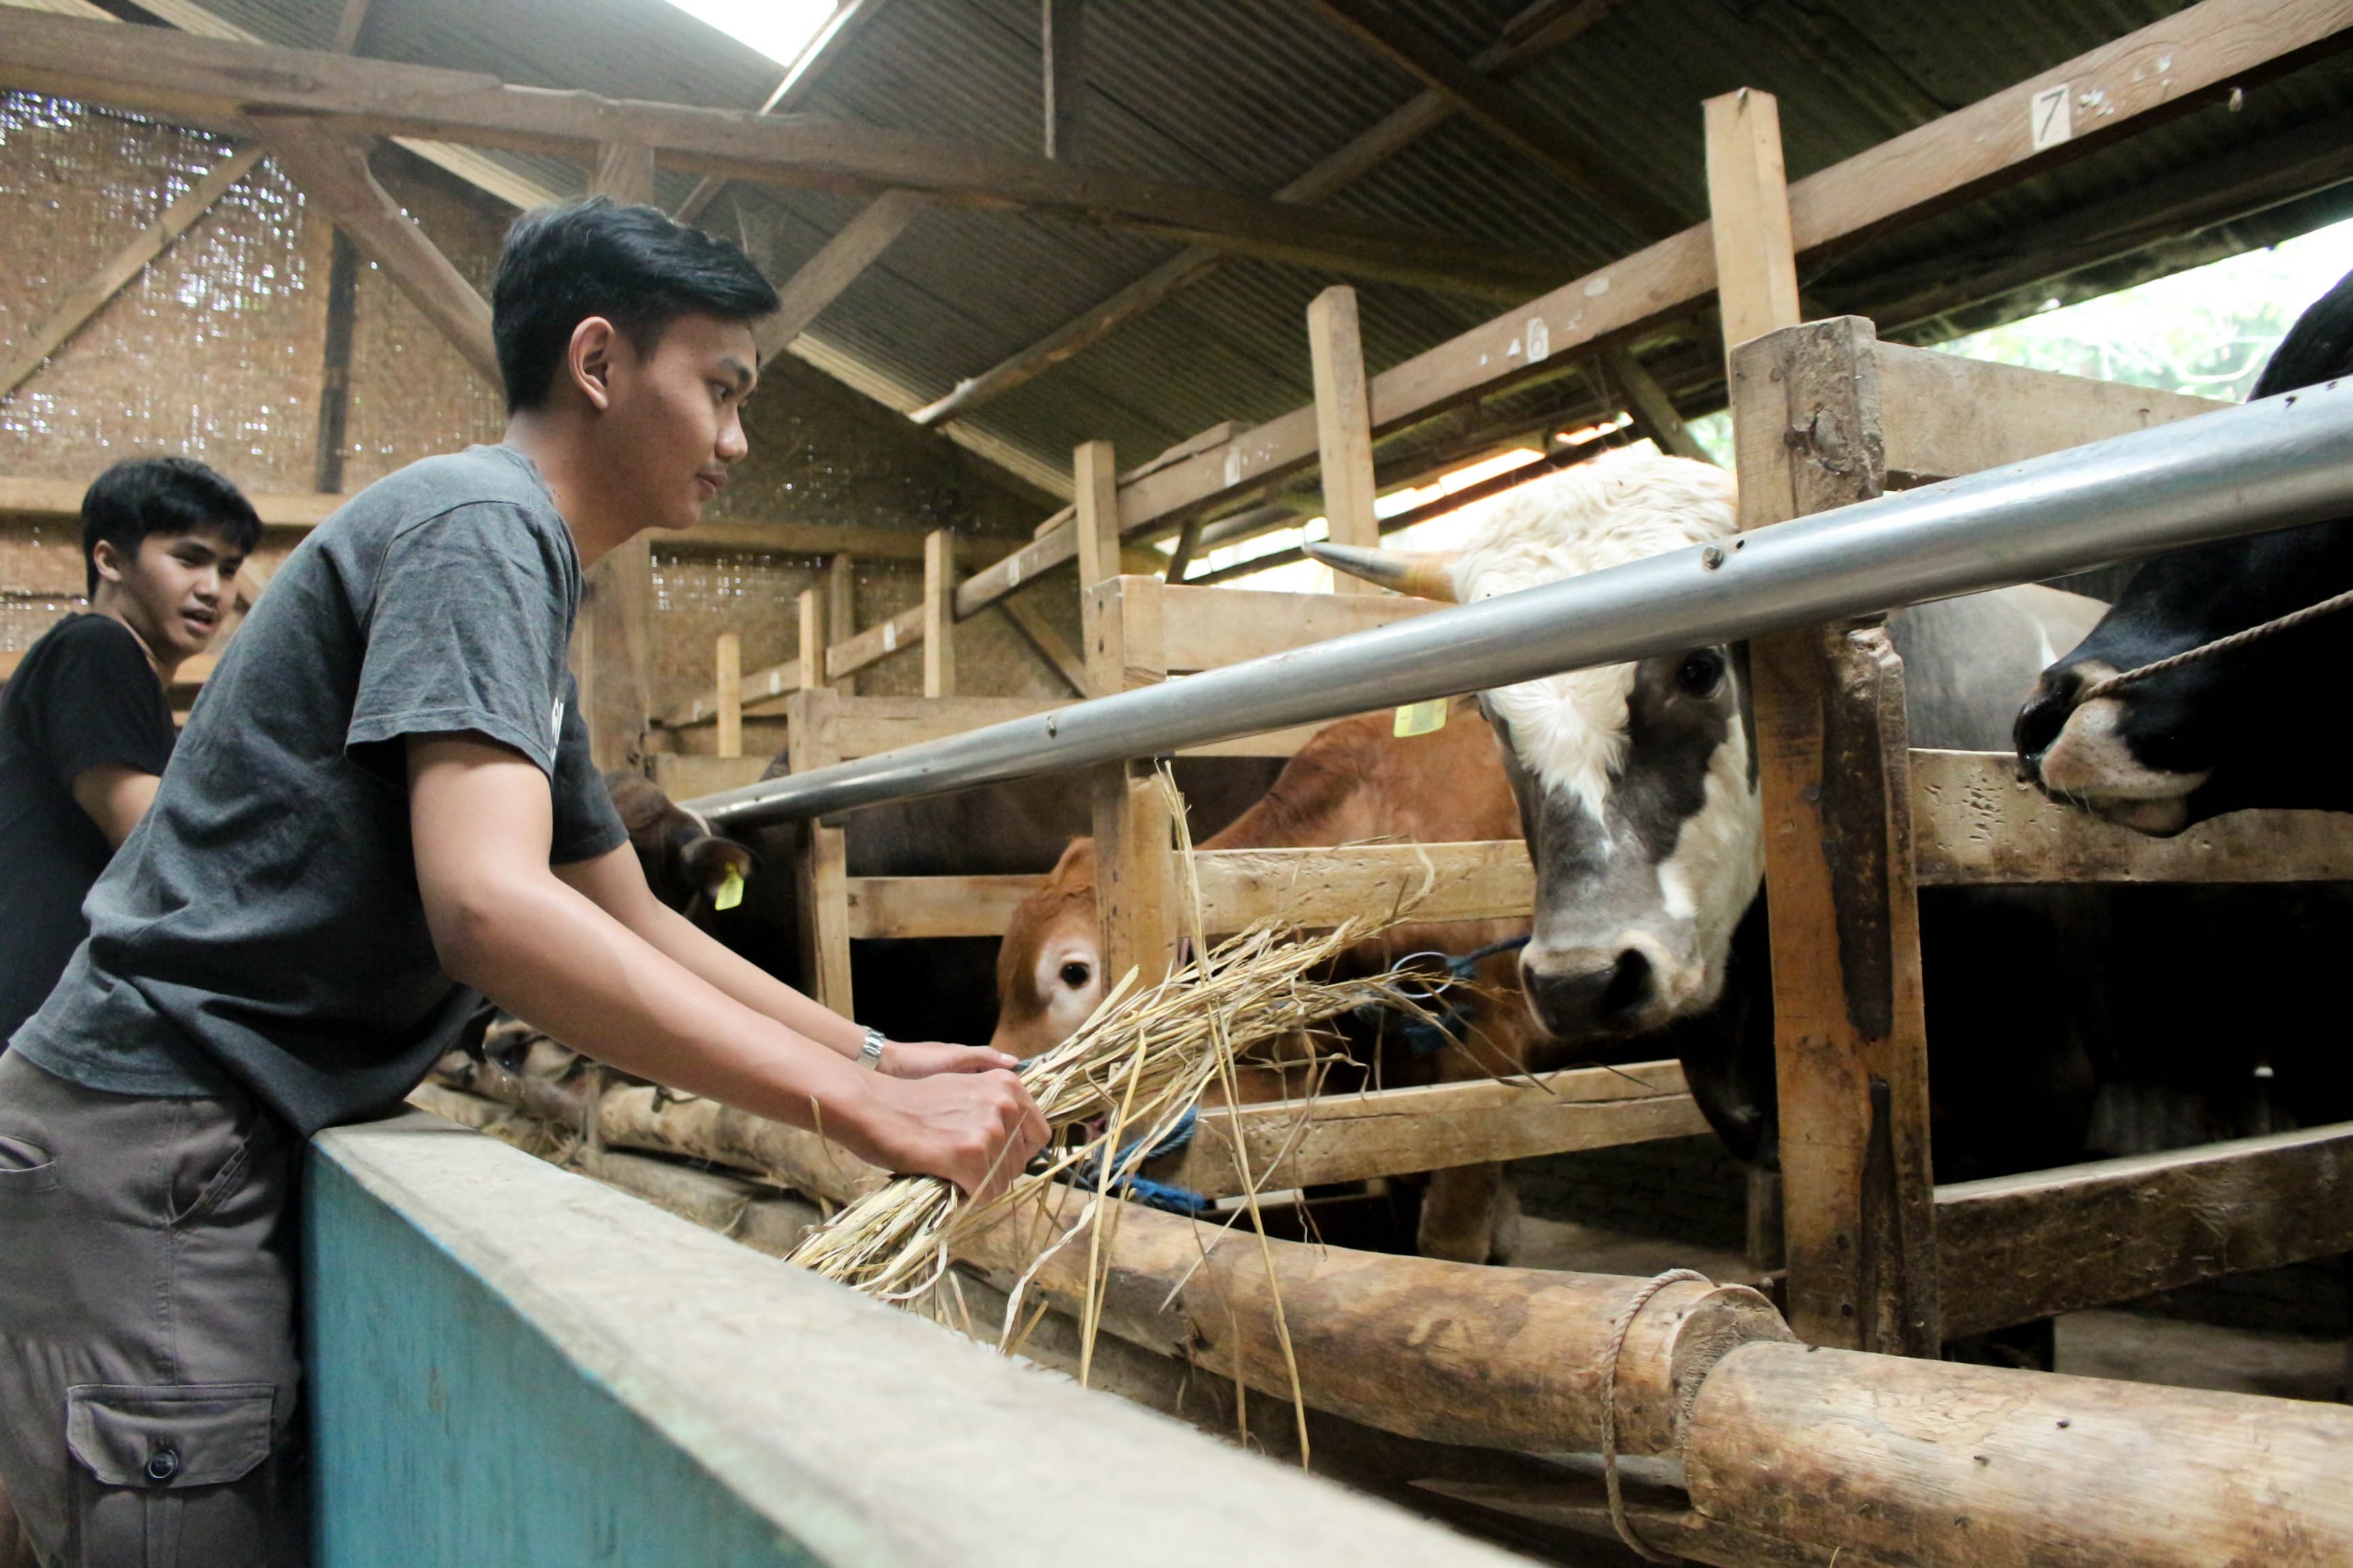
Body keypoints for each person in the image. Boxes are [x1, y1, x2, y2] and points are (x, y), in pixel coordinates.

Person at [0, 199, 1050, 1566]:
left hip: (189, 1134)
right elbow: (488, 907)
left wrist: (874, 1048)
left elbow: (627, 910)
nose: (737, 441)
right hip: (156, 1141)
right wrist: (847, 1107)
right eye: (719, 390)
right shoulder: (481, 528)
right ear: (600, 362)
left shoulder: (514, 580)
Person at [0, 457, 257, 1046]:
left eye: (228, 569)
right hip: (35, 1020)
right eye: (189, 559)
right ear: (110, 559)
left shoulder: (115, 672)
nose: (213, 590)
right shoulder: (98, 647)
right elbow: (153, 849)